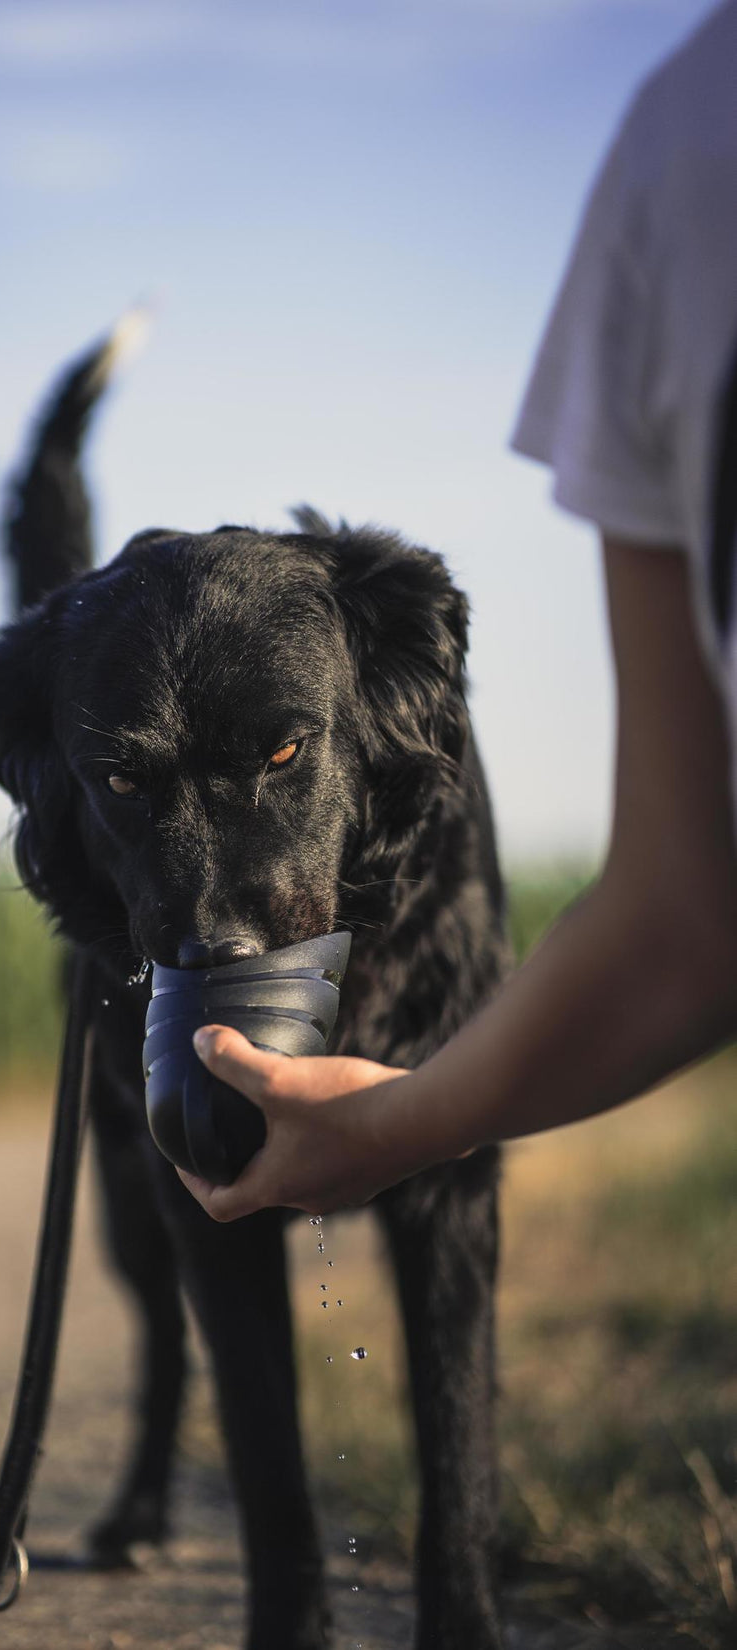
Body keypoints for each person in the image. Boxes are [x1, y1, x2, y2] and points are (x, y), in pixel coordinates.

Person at [180, 0, 737, 1223]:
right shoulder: (676, 161)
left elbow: (683, 921)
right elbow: (687, 917)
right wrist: (385, 1125)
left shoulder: (672, 148)